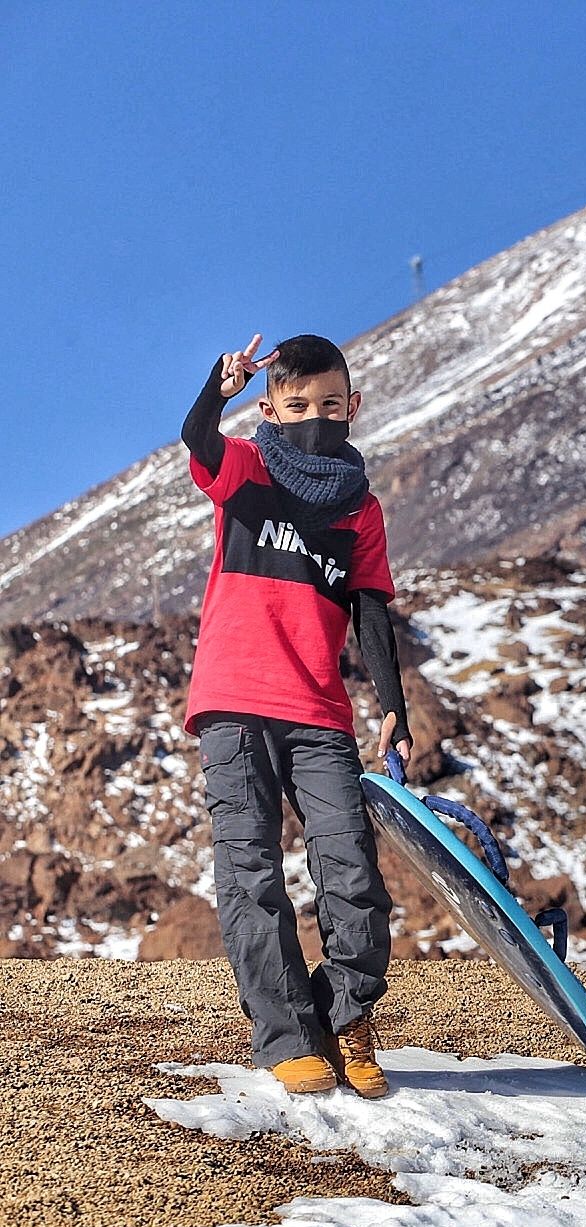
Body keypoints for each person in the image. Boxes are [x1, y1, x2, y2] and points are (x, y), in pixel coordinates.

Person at [179, 332, 415, 1099]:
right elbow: (197, 439)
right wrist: (220, 388)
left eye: (329, 403)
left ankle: (347, 1019)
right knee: (250, 872)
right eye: (297, 404)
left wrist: (395, 708)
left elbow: (371, 609)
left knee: (353, 874)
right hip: (234, 701)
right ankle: (286, 1036)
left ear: (354, 406)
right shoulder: (243, 469)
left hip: (319, 711)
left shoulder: (360, 508)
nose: (315, 414)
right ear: (272, 409)